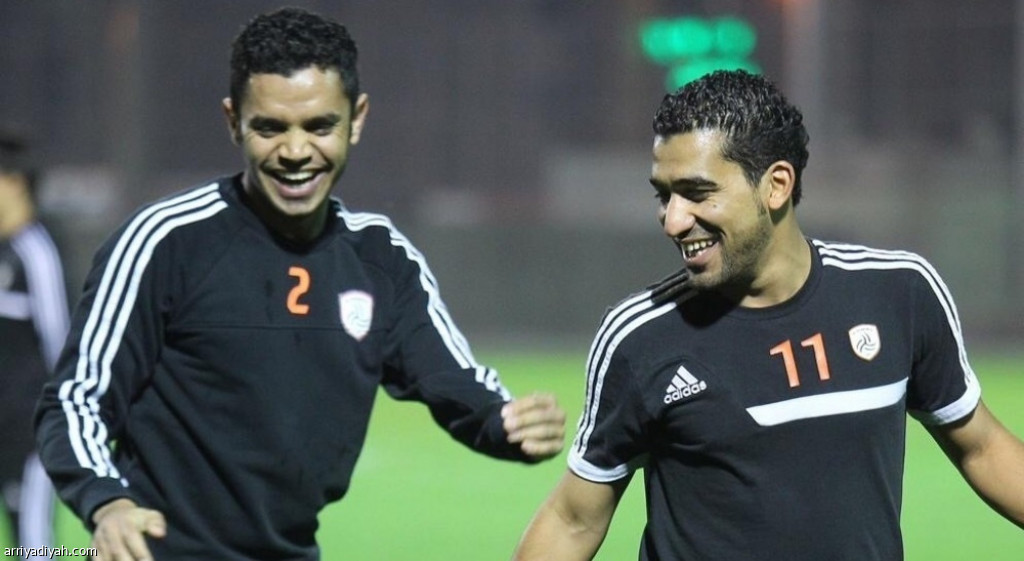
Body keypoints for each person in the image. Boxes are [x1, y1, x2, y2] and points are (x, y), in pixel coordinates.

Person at [34, 7, 566, 560]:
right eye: (270, 127)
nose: (294, 152)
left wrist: (504, 422)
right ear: (233, 121)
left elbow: (453, 381)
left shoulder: (380, 259)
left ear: (357, 119)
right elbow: (74, 400)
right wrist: (108, 503)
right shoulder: (165, 243)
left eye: (319, 126)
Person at [511, 69, 1024, 561]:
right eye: (663, 195)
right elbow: (573, 520)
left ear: (776, 185)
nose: (673, 220)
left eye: (697, 193)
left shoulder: (898, 294)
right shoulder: (641, 337)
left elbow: (980, 447)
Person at [0, 128, 68, 557]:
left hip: (29, 435)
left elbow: (61, 343)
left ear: (14, 183)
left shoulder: (36, 252)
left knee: (32, 545)